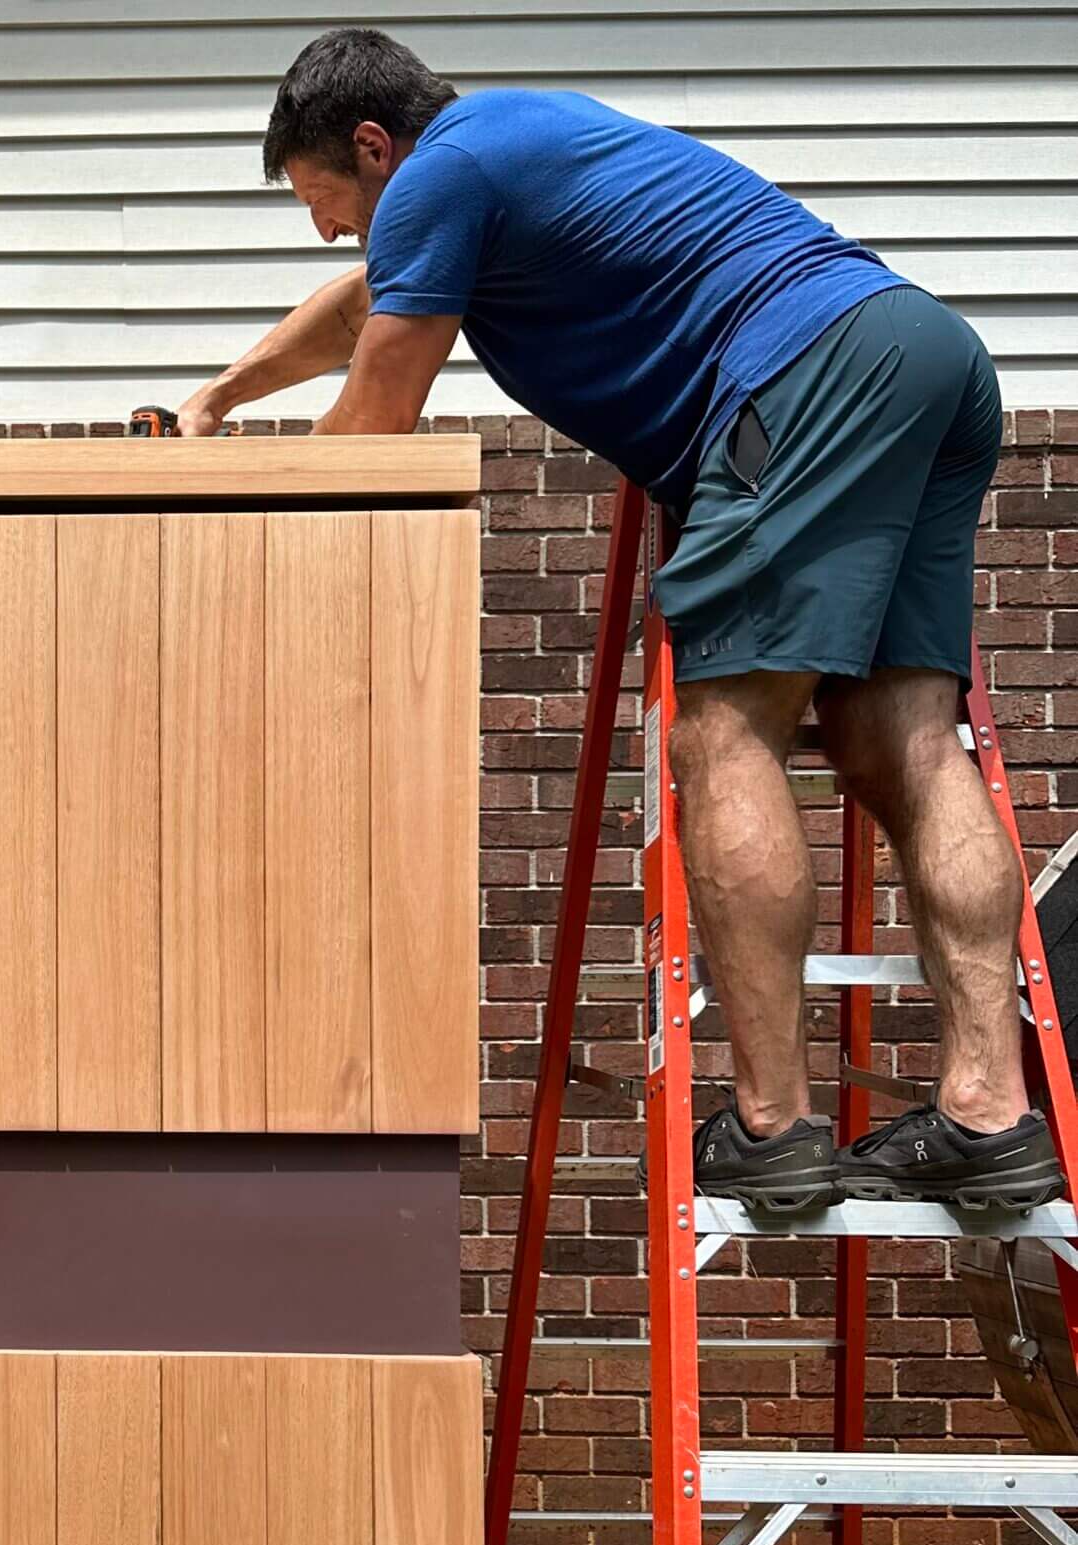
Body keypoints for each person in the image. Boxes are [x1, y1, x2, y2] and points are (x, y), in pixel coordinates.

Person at [180, 27, 1062, 1210]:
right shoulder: (507, 147)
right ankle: (990, 1115)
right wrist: (222, 397)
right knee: (906, 742)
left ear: (374, 146)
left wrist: (241, 507)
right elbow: (361, 311)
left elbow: (375, 419)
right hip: (922, 353)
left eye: (319, 200)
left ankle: (773, 1127)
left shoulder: (442, 173)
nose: (327, 232)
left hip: (803, 379)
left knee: (726, 734)